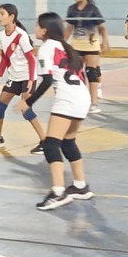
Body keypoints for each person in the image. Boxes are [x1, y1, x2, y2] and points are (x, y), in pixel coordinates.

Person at [23, 12, 95, 211]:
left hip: (68, 98)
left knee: (51, 144)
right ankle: (81, 186)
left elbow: (46, 80)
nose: (35, 28)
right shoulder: (67, 46)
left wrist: (28, 102)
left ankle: (58, 192)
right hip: (82, 96)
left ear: (44, 30)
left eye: (37, 25)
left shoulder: (46, 48)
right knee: (68, 141)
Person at [0, 3, 48, 150]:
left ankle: (45, 141)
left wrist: (31, 80)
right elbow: (5, 58)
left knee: (26, 109)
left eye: (2, 14)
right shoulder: (0, 36)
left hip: (27, 77)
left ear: (12, 17)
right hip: (14, 77)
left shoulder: (20, 35)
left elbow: (31, 59)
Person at [65, 0, 108, 112]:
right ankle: (82, 100)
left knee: (91, 73)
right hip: (76, 46)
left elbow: (102, 27)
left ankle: (93, 103)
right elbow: (68, 29)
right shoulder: (72, 9)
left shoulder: (93, 9)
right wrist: (61, 43)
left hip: (91, 46)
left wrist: (105, 42)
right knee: (77, 74)